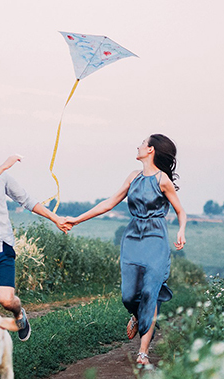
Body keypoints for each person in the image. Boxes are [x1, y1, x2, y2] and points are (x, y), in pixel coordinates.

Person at [63, 134, 187, 366]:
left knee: (150, 293)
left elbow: (181, 210)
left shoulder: (163, 180)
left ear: (151, 150)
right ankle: (138, 315)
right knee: (129, 295)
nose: (138, 145)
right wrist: (77, 220)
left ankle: (143, 352)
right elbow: (108, 204)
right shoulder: (133, 177)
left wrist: (181, 231)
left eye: (142, 142)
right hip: (132, 239)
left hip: (156, 241)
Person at [0, 133, 70, 341]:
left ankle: (19, 315)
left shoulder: (3, 178)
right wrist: (4, 167)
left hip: (2, 247)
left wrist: (55, 218)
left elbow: (26, 200)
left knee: (6, 300)